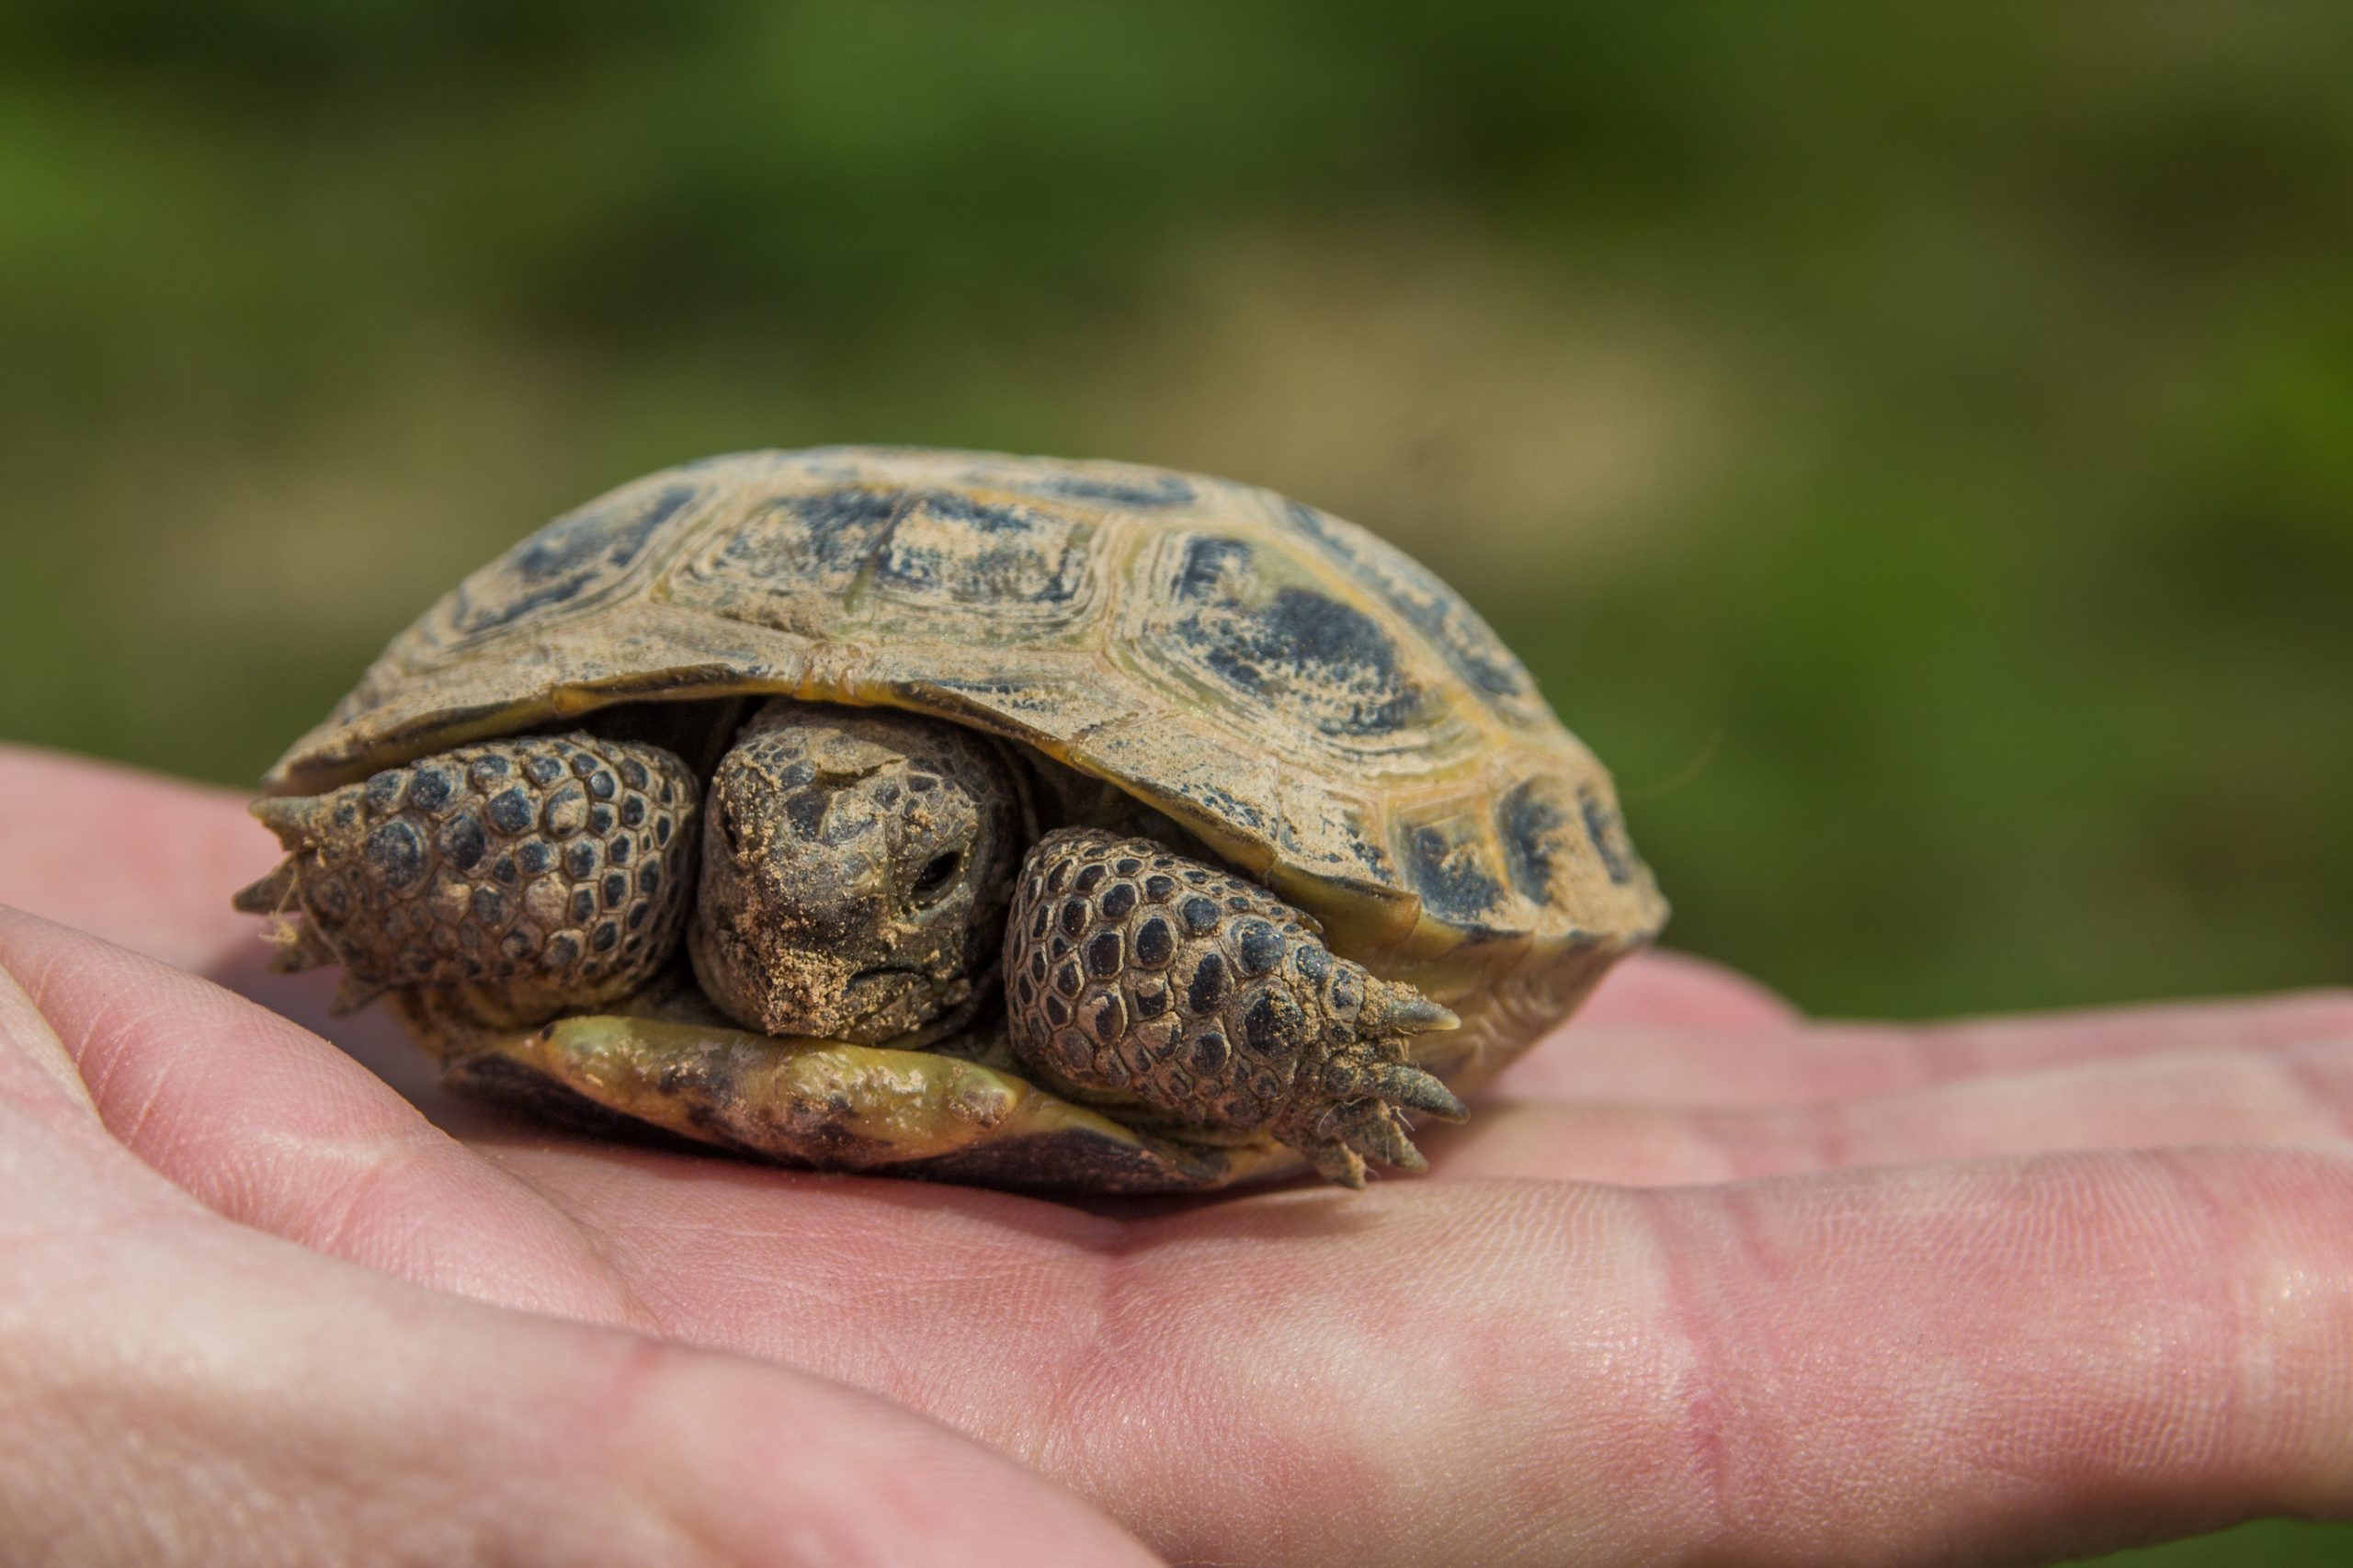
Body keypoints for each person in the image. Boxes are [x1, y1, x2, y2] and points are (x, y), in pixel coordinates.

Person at [0, 742, 2347, 1567]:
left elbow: (1174, 944)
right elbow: (451, 832)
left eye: (906, 892)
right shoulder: (642, 838)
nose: (814, 921)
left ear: (991, 867)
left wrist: (1318, 1045)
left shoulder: (1095, 912)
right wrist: (392, 869)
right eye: (762, 870)